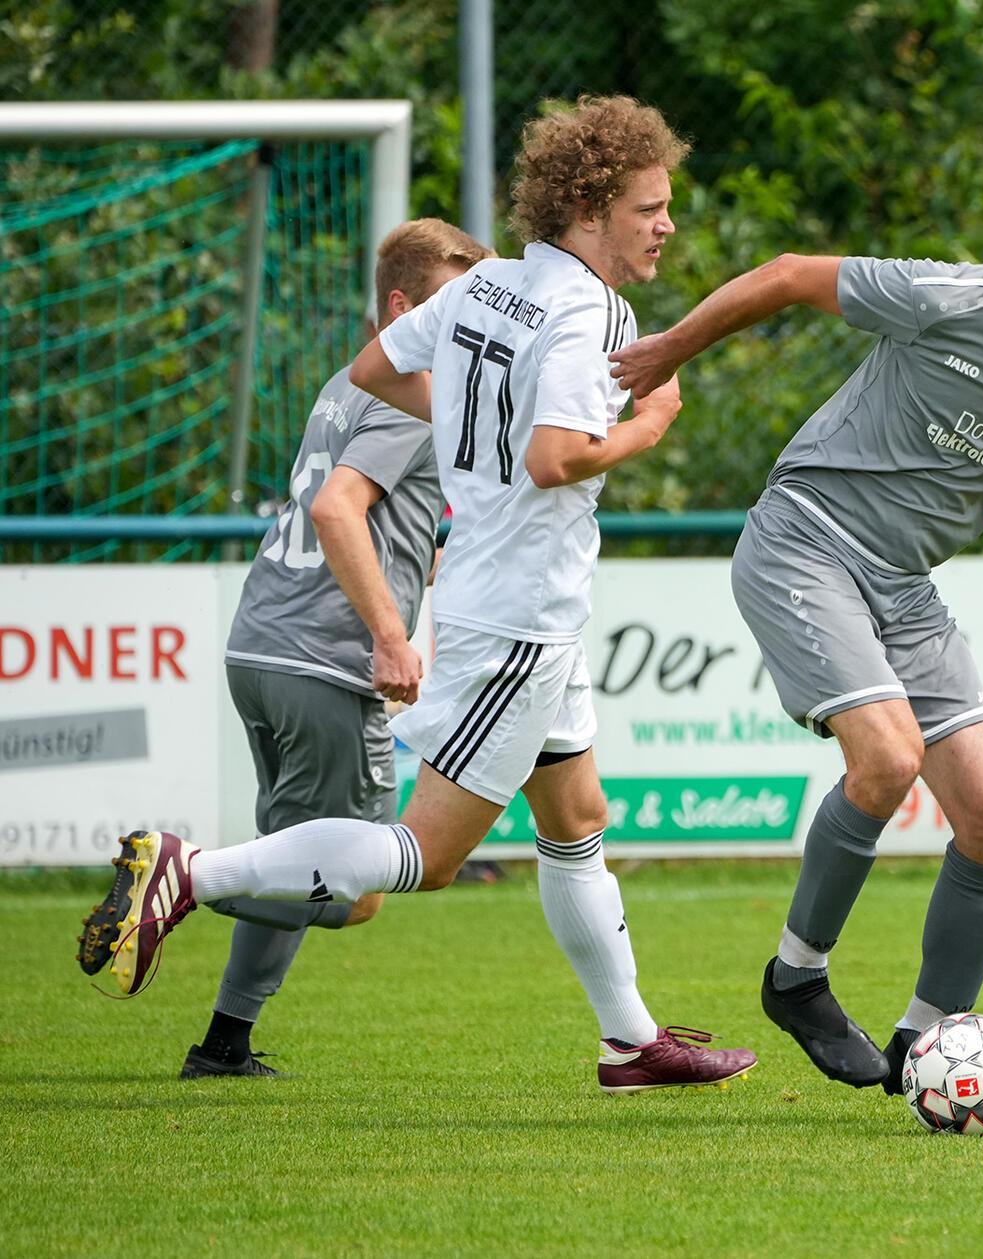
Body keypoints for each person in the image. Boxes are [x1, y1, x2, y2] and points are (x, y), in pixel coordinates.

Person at [77, 96, 757, 1092]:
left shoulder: (488, 287)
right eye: (649, 206)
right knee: (424, 854)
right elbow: (560, 453)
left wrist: (471, 439)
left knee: (576, 818)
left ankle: (630, 1039)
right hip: (518, 615)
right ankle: (192, 871)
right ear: (589, 204)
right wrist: (650, 420)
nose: (664, 225)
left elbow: (372, 370)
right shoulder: (590, 308)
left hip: (522, 607)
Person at [609, 165, 983, 1092]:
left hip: (904, 587)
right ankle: (796, 976)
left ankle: (922, 1043)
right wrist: (668, 350)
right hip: (805, 537)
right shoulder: (948, 297)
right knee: (884, 758)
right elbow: (789, 273)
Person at [162, 219, 484, 1078]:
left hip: (263, 645)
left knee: (295, 852)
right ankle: (185, 875)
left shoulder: (352, 381)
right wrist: (390, 634)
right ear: (401, 305)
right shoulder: (410, 391)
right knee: (360, 886)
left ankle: (224, 1041)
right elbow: (338, 508)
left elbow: (395, 523)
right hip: (320, 659)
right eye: (454, 308)